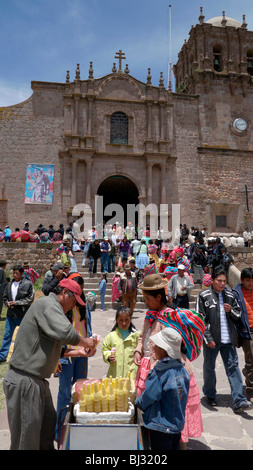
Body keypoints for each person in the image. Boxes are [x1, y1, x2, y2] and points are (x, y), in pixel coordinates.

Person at [3, 278, 96, 450]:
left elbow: (53, 347)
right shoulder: (47, 304)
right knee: (27, 440)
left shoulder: (53, 308)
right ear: (64, 293)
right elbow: (65, 333)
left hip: (37, 380)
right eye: (74, 301)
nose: (74, 306)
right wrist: (86, 342)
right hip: (25, 379)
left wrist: (78, 352)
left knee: (47, 429)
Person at [196, 265, 253, 413]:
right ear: (213, 280)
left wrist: (231, 311)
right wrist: (207, 337)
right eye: (219, 280)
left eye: (224, 281)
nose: (222, 284)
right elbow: (200, 319)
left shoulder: (231, 296)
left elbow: (238, 315)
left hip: (229, 340)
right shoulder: (203, 296)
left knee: (233, 368)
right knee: (209, 368)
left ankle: (239, 400)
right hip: (212, 340)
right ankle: (210, 394)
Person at [135, 327, 190, 450]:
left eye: (156, 346)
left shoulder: (159, 373)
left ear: (163, 350)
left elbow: (150, 396)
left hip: (160, 426)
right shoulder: (183, 371)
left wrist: (138, 403)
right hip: (177, 425)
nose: (153, 348)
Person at [55, 273, 92, 442]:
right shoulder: (62, 308)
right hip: (66, 354)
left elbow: (87, 327)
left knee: (80, 391)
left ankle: (78, 427)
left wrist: (91, 343)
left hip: (82, 353)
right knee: (64, 392)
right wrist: (57, 357)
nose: (79, 293)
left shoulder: (84, 306)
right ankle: (60, 432)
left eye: (81, 289)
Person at [0, 265, 34, 363]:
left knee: (24, 336)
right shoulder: (10, 284)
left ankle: (25, 356)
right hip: (11, 315)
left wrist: (17, 303)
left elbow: (29, 299)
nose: (15, 275)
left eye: (17, 273)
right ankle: (2, 356)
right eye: (14, 273)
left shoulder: (28, 284)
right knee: (7, 335)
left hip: (23, 315)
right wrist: (8, 304)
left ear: (22, 274)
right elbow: (5, 297)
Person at [101, 306, 140, 380]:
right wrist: (108, 356)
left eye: (127, 320)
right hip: (115, 375)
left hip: (131, 375)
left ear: (130, 319)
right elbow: (105, 349)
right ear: (116, 320)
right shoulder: (111, 336)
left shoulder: (136, 335)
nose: (124, 323)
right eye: (120, 320)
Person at [232, 268, 253, 403]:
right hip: (247, 332)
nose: (251, 283)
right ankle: (250, 390)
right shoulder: (236, 294)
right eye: (247, 281)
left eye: (252, 280)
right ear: (242, 280)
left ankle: (247, 373)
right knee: (251, 361)